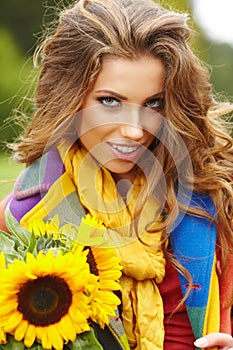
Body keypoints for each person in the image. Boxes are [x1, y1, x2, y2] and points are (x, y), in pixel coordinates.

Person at [0, 0, 233, 349]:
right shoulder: (19, 220)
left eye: (153, 103)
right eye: (110, 102)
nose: (135, 131)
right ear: (71, 98)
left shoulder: (215, 195)